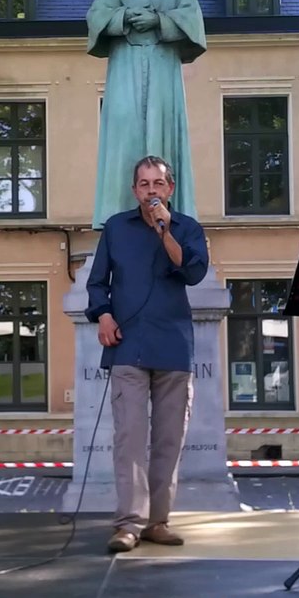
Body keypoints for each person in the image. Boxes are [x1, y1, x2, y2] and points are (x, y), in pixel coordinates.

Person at [86, 156, 209, 553]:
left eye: (158, 183)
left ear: (169, 189)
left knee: (169, 441)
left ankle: (158, 521)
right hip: (128, 348)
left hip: (173, 347)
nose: (151, 190)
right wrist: (103, 315)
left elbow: (192, 273)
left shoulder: (187, 228)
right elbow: (96, 283)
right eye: (143, 184)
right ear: (134, 190)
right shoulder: (116, 229)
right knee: (130, 440)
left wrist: (165, 231)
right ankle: (128, 524)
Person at [85, 0, 206, 229]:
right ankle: (117, 214)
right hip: (125, 63)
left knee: (163, 130)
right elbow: (96, 16)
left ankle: (169, 215)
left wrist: (160, 20)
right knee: (123, 133)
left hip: (163, 64)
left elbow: (194, 22)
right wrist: (123, 17)